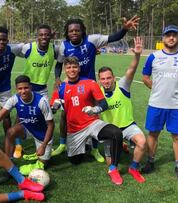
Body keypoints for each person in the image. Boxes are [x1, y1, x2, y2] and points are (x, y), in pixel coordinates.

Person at [52, 16, 140, 160]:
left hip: (89, 85)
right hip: (72, 82)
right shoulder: (64, 46)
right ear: (67, 33)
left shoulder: (92, 40)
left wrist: (125, 28)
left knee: (93, 115)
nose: (74, 33)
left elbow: (114, 37)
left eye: (77, 30)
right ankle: (62, 144)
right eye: (71, 31)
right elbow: (58, 64)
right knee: (65, 114)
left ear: (82, 31)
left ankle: (94, 148)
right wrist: (57, 78)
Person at [50, 56, 124, 185]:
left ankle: (113, 169)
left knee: (115, 133)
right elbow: (52, 110)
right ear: (64, 70)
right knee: (75, 161)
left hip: (92, 123)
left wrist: (95, 109)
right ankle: (88, 145)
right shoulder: (60, 87)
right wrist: (54, 106)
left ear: (79, 69)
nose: (72, 70)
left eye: (74, 67)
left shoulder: (90, 83)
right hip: (74, 129)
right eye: (68, 67)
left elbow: (104, 104)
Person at [141, 25, 178, 181]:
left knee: (177, 136)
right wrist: (155, 89)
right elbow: (145, 76)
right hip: (156, 103)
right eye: (168, 35)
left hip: (176, 105)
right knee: (153, 133)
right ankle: (150, 161)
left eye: (174, 35)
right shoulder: (153, 57)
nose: (171, 38)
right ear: (162, 38)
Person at [98, 37, 146, 183]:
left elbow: (132, 69)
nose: (106, 81)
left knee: (142, 142)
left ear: (114, 78)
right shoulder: (97, 93)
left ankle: (133, 167)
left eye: (108, 78)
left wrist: (137, 55)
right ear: (99, 80)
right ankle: (116, 159)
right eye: (103, 79)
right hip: (111, 131)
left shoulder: (123, 85)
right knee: (110, 163)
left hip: (128, 125)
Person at [0, 75, 54, 176]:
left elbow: (51, 125)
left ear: (30, 87)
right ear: (16, 89)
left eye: (26, 88)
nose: (23, 91)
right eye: (20, 88)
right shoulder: (15, 99)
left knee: (42, 166)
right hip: (28, 128)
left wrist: (43, 146)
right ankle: (8, 165)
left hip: (42, 135)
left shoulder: (42, 101)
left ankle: (44, 152)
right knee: (10, 132)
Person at [12, 24, 58, 159]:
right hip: (27, 87)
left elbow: (64, 58)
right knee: (19, 117)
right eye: (41, 35)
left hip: (42, 89)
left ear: (51, 36)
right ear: (37, 36)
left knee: (45, 118)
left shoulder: (54, 49)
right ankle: (18, 145)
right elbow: (11, 50)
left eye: (46, 34)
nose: (44, 37)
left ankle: (44, 145)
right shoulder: (29, 47)